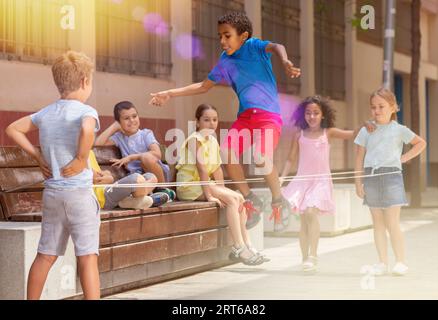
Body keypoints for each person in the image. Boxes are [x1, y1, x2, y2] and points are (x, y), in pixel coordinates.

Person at [149, 11, 301, 231]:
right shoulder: (225, 61)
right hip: (246, 118)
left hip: (269, 117)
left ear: (243, 36)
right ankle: (249, 198)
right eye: (220, 36)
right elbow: (203, 86)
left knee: (260, 156)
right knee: (225, 152)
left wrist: (285, 61)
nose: (222, 41)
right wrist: (170, 93)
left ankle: (278, 199)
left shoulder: (254, 47)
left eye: (227, 36)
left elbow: (276, 46)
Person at [6, 51, 101, 299]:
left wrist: (37, 157)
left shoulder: (45, 113)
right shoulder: (86, 111)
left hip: (53, 194)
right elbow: (87, 128)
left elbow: (13, 129)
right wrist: (81, 159)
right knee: (88, 257)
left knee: (45, 255)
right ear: (83, 81)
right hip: (79, 194)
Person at [281, 95, 374, 272]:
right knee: (303, 221)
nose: (312, 116)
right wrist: (282, 178)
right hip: (302, 181)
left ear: (323, 115)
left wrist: (364, 125)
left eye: (316, 113)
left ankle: (313, 255)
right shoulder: (299, 135)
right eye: (308, 113)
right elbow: (290, 159)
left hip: (321, 182)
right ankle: (304, 258)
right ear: (304, 115)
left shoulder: (328, 132)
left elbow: (352, 134)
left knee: (310, 212)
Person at [176, 104, 268, 265]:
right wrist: (211, 195)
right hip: (189, 185)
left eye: (214, 120)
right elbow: (202, 169)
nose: (211, 124)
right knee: (232, 200)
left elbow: (217, 169)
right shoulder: (194, 140)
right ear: (197, 122)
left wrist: (223, 190)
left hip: (203, 184)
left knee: (239, 197)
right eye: (206, 120)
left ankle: (248, 245)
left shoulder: (212, 140)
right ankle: (238, 247)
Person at [355, 88, 426, 276]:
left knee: (392, 222)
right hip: (371, 177)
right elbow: (359, 158)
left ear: (393, 107)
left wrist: (404, 158)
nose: (377, 111)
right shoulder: (366, 129)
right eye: (373, 107)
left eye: (381, 106)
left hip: (392, 177)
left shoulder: (399, 130)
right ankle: (382, 263)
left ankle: (400, 261)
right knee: (377, 223)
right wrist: (358, 182)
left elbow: (421, 143)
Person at [95, 101, 171, 184]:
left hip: (157, 174)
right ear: (119, 122)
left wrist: (131, 157)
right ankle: (153, 194)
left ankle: (163, 189)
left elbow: (157, 154)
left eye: (134, 116)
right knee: (135, 177)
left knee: (146, 158)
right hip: (138, 177)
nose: (132, 120)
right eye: (126, 118)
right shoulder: (118, 137)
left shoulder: (146, 134)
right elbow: (98, 144)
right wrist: (114, 126)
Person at [89, 150, 170, 210]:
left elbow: (101, 174)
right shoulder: (80, 155)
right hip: (103, 198)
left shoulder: (90, 153)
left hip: (109, 188)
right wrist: (106, 178)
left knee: (152, 177)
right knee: (137, 179)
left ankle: (130, 200)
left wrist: (108, 176)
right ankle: (139, 199)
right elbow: (94, 178)